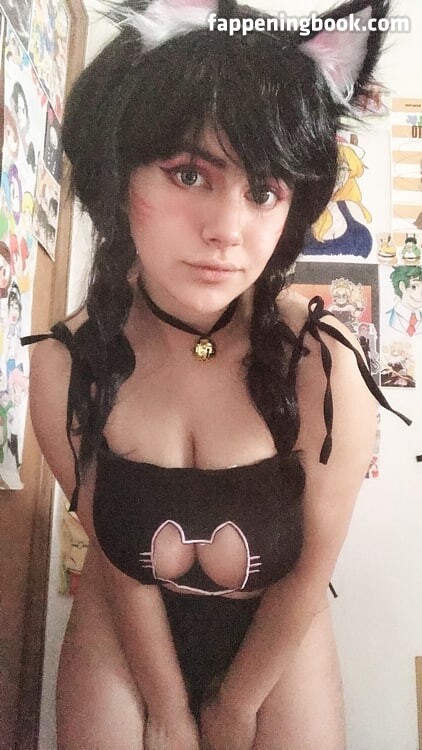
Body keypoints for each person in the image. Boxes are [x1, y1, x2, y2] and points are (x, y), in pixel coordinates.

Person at [25, 0, 408, 748]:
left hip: (277, 632)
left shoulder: (322, 365)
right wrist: (168, 710)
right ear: (117, 172)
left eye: (263, 191)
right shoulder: (69, 365)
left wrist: (234, 707)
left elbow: (310, 570)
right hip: (123, 621)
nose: (227, 231)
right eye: (189, 173)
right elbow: (117, 557)